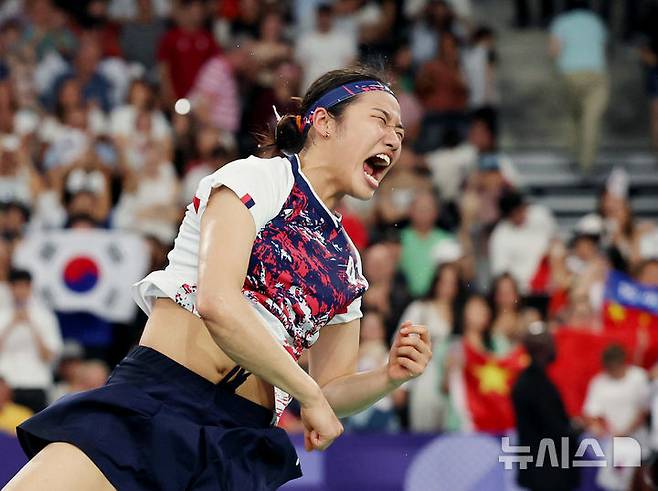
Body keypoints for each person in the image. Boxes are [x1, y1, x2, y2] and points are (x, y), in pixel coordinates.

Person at [7, 67, 432, 490]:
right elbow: (217, 304)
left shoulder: (348, 265)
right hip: (157, 399)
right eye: (380, 119)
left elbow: (331, 388)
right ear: (323, 123)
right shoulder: (256, 178)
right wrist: (310, 395)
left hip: (238, 443)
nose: (395, 138)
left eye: (400, 130)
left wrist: (387, 377)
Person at [511, 322, 581, 491]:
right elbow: (554, 427)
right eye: (550, 343)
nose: (554, 348)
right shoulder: (536, 385)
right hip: (548, 470)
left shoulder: (529, 381)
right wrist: (577, 427)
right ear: (542, 348)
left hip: (541, 469)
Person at [549, 0, 608, 174]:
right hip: (595, 73)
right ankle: (586, 163)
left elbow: (553, 50)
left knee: (573, 117)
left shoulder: (561, 22)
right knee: (591, 120)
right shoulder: (595, 21)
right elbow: (603, 49)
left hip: (570, 74)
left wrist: (558, 67)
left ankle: (574, 154)